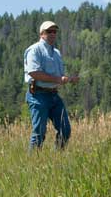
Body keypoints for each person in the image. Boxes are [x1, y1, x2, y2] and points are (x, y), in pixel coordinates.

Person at [23, 20, 77, 148]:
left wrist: (69, 79)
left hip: (54, 95)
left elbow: (58, 77)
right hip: (37, 95)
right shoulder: (34, 50)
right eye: (49, 31)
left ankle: (57, 158)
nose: (52, 34)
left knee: (65, 130)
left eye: (54, 31)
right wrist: (58, 79)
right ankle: (33, 164)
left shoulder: (57, 53)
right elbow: (34, 73)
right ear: (42, 34)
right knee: (39, 133)